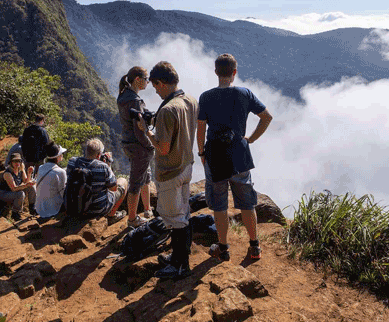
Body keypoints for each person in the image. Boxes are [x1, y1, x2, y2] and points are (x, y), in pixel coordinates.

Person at [197, 54, 273, 262]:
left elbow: (201, 127)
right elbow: (267, 117)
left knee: (219, 205)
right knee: (247, 204)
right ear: (234, 72)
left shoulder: (206, 97)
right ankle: (255, 247)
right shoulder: (245, 94)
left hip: (215, 155)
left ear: (216, 72)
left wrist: (201, 152)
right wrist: (251, 139)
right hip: (239, 153)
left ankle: (223, 248)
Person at [137, 61, 198, 279]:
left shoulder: (168, 110)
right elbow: (181, 128)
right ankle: (177, 257)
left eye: (155, 86)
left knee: (175, 219)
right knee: (184, 214)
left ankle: (180, 265)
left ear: (162, 83)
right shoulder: (190, 100)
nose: (155, 90)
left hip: (170, 171)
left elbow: (162, 148)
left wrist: (147, 130)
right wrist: (156, 119)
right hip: (187, 166)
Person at [117, 66, 155, 229]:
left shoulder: (123, 95)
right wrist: (150, 145)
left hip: (127, 142)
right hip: (138, 145)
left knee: (144, 175)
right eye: (146, 79)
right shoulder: (135, 100)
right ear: (138, 80)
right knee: (136, 181)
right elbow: (139, 130)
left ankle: (147, 210)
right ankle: (132, 219)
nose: (148, 82)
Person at [66, 138, 128, 224]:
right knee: (123, 181)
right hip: (97, 209)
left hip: (74, 205)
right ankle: (111, 216)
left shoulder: (72, 162)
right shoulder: (103, 167)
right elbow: (113, 188)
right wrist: (108, 166)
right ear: (99, 155)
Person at [0, 152, 36, 219]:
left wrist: (29, 173)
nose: (17, 163)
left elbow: (26, 181)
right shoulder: (8, 173)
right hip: (4, 193)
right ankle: (15, 213)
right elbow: (13, 188)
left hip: (14, 191)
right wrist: (26, 185)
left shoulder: (20, 169)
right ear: (11, 162)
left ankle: (32, 208)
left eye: (19, 161)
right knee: (20, 194)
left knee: (31, 187)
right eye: (15, 161)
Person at [34, 142, 67, 219]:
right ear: (58, 156)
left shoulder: (41, 167)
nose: (62, 155)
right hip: (53, 210)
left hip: (40, 209)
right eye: (61, 154)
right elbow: (64, 194)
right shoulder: (60, 172)